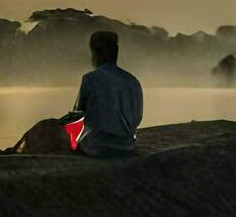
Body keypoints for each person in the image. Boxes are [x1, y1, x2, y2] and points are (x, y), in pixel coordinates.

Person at [13, 30, 144, 157]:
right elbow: (137, 119)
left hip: (97, 147)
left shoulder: (90, 79)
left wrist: (55, 123)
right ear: (116, 52)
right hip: (127, 146)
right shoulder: (133, 81)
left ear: (96, 54)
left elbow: (78, 114)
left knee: (47, 128)